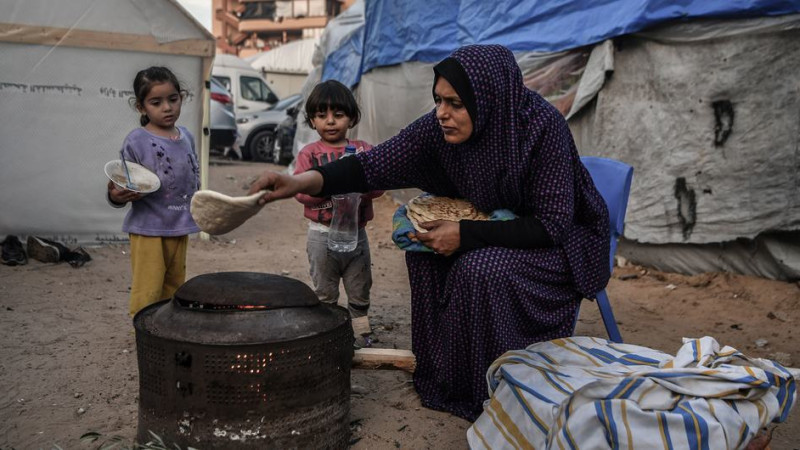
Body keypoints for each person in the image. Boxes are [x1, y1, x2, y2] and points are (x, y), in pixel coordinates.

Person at [247, 45, 610, 421]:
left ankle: (495, 386)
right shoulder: (436, 130)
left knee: (478, 268)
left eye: (455, 103)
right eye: (438, 100)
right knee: (425, 253)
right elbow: (371, 165)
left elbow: (552, 224)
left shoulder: (540, 128)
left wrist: (465, 235)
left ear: (487, 99)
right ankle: (447, 377)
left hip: (559, 243)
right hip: (494, 226)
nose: (441, 113)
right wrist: (298, 182)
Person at [293, 80, 383, 347]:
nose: (330, 121)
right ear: (312, 121)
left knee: (360, 290)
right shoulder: (309, 155)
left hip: (356, 235)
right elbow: (299, 192)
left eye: (339, 114)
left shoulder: (364, 151)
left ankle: (361, 335)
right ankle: (328, 338)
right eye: (322, 115)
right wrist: (328, 187)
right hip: (321, 237)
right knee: (325, 293)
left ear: (352, 118)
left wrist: (359, 188)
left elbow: (379, 184)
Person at [107, 66, 200, 317]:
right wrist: (115, 195)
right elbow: (120, 181)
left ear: (181, 97)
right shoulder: (136, 140)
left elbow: (193, 176)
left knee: (174, 286)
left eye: (173, 99)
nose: (167, 108)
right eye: (156, 102)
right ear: (141, 107)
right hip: (148, 228)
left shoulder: (187, 137)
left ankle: (165, 329)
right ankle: (143, 330)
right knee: (148, 289)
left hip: (179, 225)